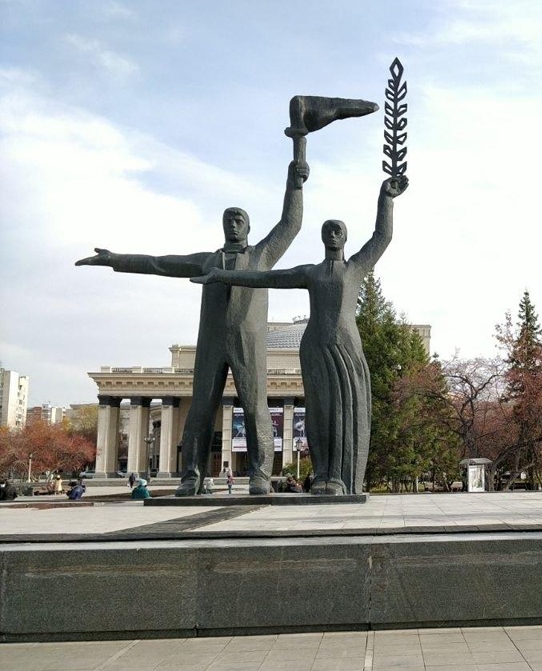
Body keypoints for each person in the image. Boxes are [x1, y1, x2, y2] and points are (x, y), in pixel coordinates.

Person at [77, 160, 309, 495]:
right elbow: (159, 263)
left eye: (239, 220)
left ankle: (259, 475)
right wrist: (115, 259)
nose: (233, 225)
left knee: (255, 406)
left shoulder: (261, 256)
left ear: (248, 227)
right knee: (200, 407)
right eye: (228, 220)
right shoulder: (207, 260)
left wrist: (295, 182)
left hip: (248, 343)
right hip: (212, 342)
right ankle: (192, 476)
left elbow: (291, 223)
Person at [193, 175, 409, 495]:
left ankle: (341, 478)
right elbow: (266, 278)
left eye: (337, 230)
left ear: (346, 237)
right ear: (321, 237)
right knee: (319, 414)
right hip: (315, 348)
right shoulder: (310, 272)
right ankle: (322, 475)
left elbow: (382, 237)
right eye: (327, 230)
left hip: (346, 348)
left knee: (345, 411)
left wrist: (386, 199)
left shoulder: (356, 267)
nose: (332, 234)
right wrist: (222, 275)